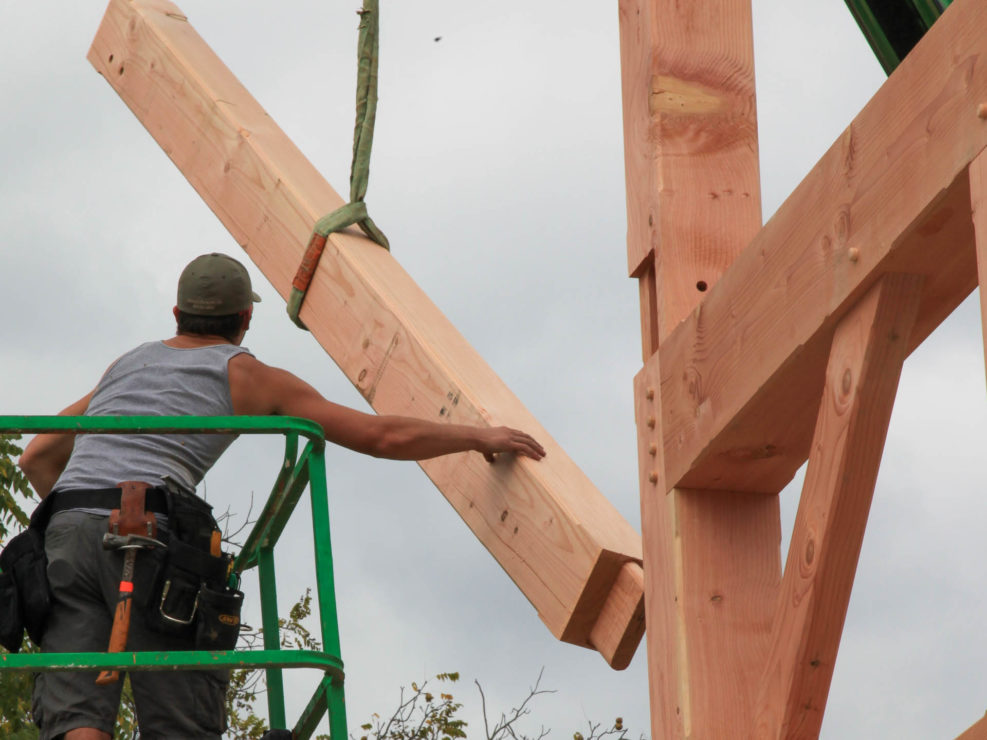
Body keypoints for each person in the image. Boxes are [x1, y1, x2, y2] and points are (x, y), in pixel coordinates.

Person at [18, 252, 546, 740]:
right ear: (246, 319)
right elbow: (380, 436)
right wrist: (478, 436)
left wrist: (85, 526)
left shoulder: (126, 365)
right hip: (150, 533)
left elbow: (36, 457)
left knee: (76, 716)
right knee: (181, 717)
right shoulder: (245, 375)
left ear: (176, 313)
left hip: (64, 528)